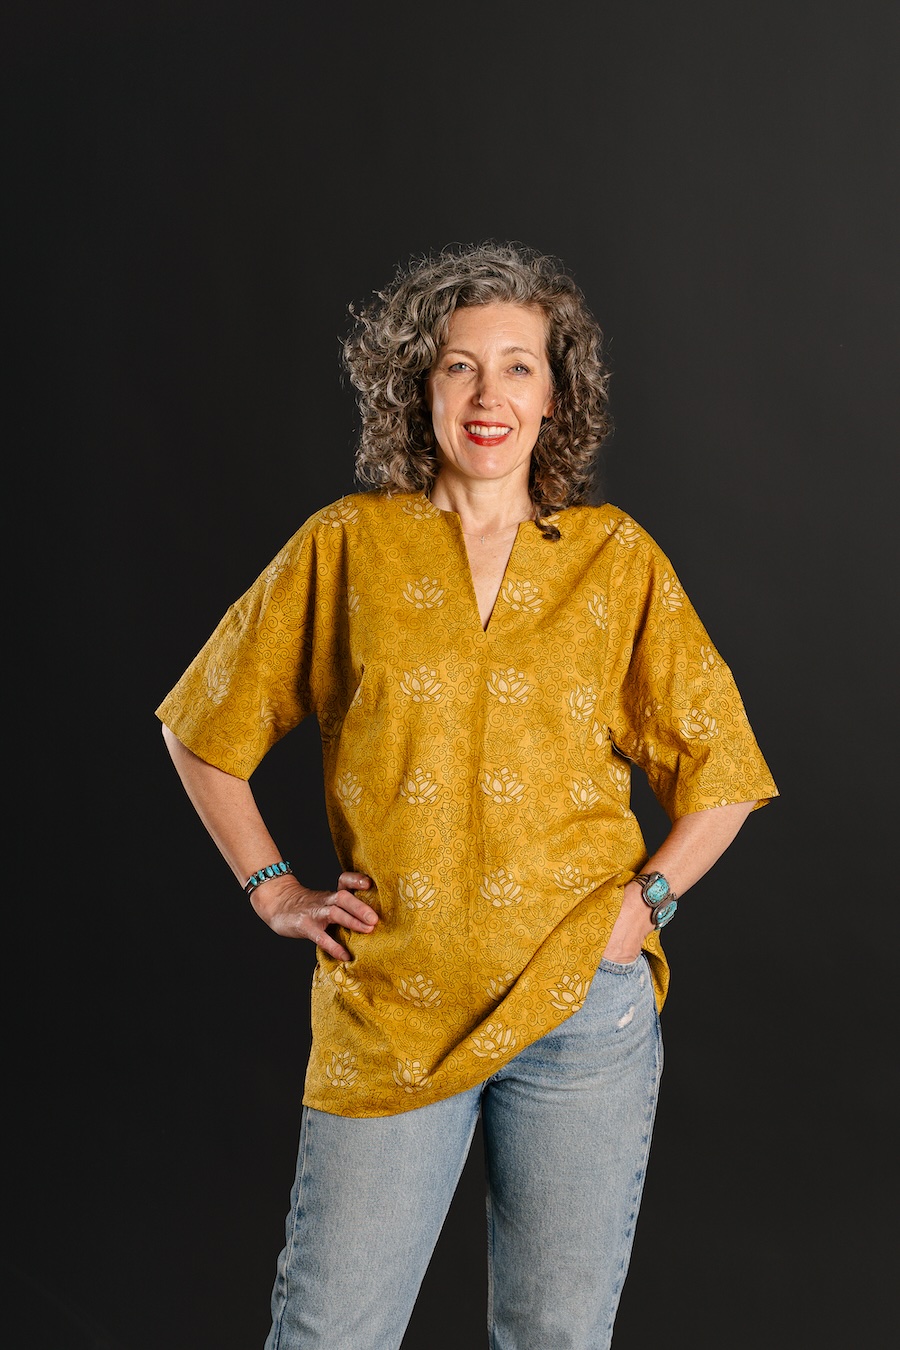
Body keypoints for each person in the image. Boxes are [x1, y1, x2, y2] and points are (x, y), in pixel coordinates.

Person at [157, 241, 778, 1349]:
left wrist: (646, 906)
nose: (490, 397)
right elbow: (202, 726)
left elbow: (723, 771)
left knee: (554, 1336)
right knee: (329, 1332)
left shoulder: (615, 560)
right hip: (393, 1001)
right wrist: (273, 888)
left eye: (518, 368)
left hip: (582, 1012)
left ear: (556, 396)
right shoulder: (348, 547)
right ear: (419, 386)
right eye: (459, 367)